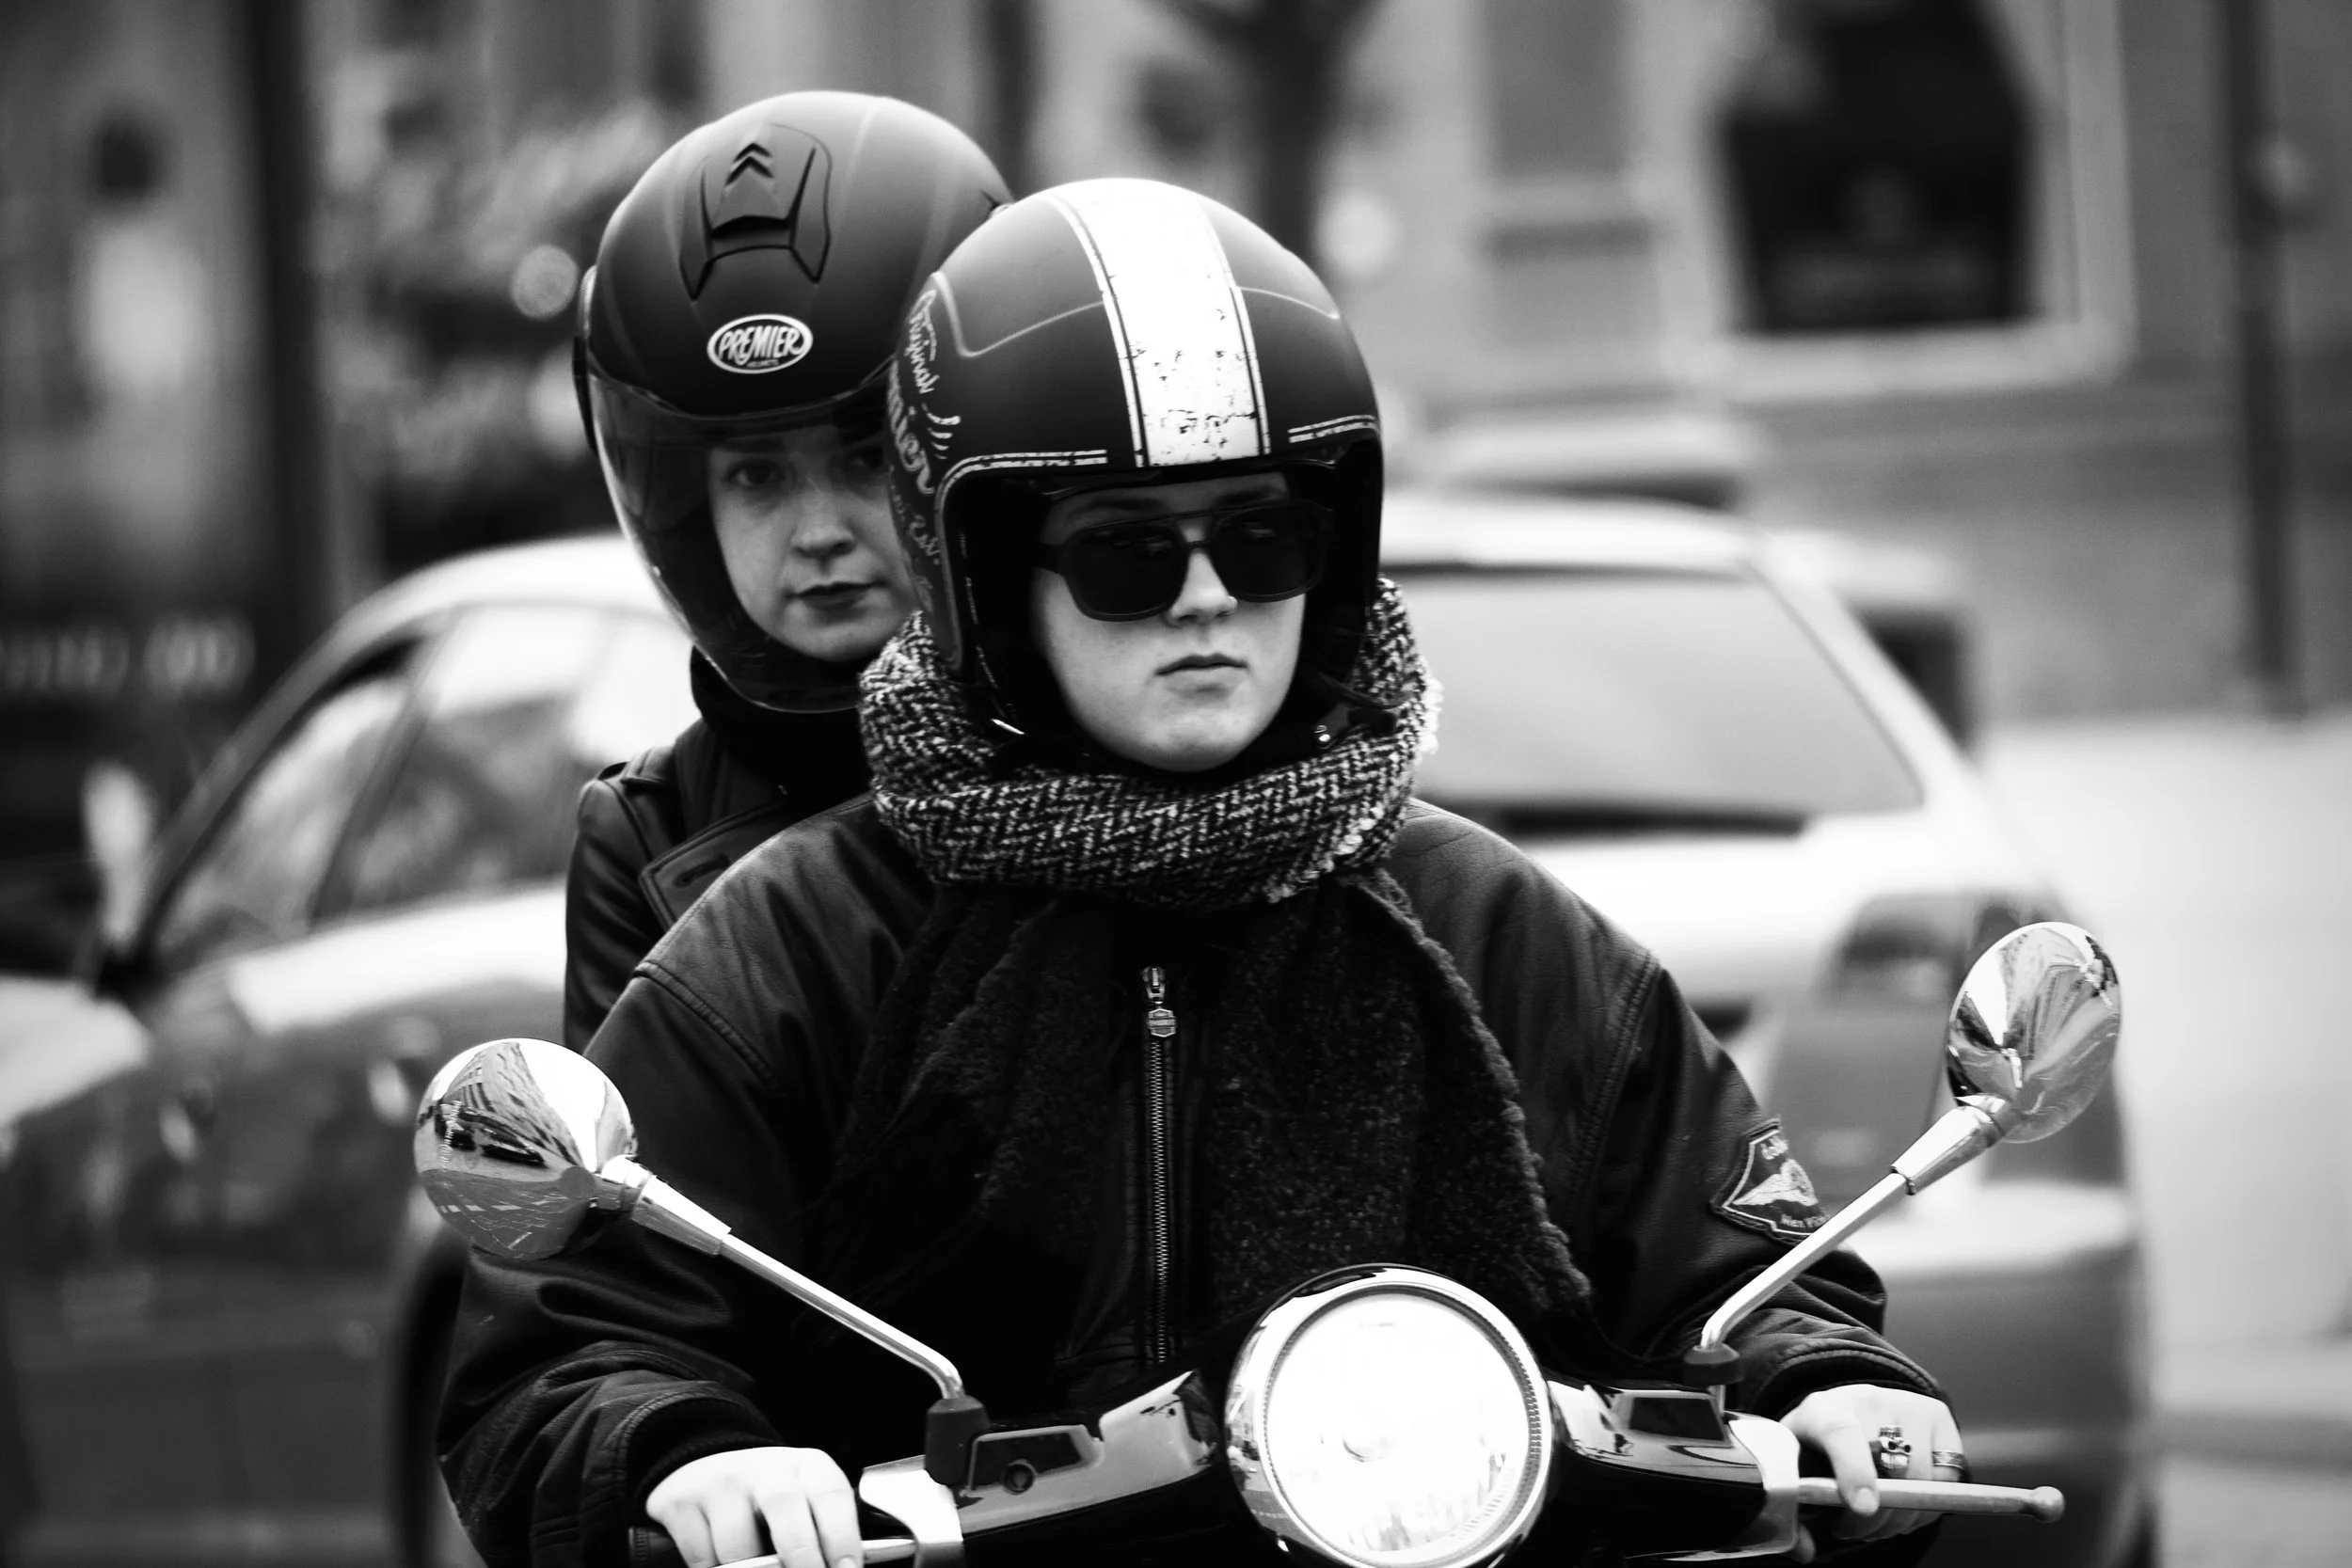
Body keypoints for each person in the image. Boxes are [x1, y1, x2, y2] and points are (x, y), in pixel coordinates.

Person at [442, 180, 1959, 1568]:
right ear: (986, 582)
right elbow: (573, 1334)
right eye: (1124, 554)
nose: (1208, 597)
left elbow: (1740, 1269)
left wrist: (1820, 1376)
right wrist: (686, 1452)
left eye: (1262, 536)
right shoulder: (798, 941)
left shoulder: (1494, 926)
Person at [563, 90, 1008, 1051]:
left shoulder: (1095, 751)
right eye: (758, 475)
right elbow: (631, 1184)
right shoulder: (646, 834)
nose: (816, 532)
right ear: (690, 514)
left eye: (864, 459)